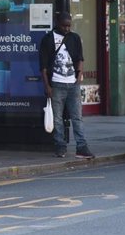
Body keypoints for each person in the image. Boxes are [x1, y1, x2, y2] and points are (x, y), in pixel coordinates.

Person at [39, 11, 94, 159]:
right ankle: (60, 146)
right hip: (56, 83)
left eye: (69, 26)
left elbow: (80, 58)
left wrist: (79, 75)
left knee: (77, 117)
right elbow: (43, 66)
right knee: (57, 118)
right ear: (57, 23)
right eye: (64, 26)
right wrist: (47, 86)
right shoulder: (48, 39)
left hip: (73, 83)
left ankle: (81, 147)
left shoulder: (74, 38)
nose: (67, 29)